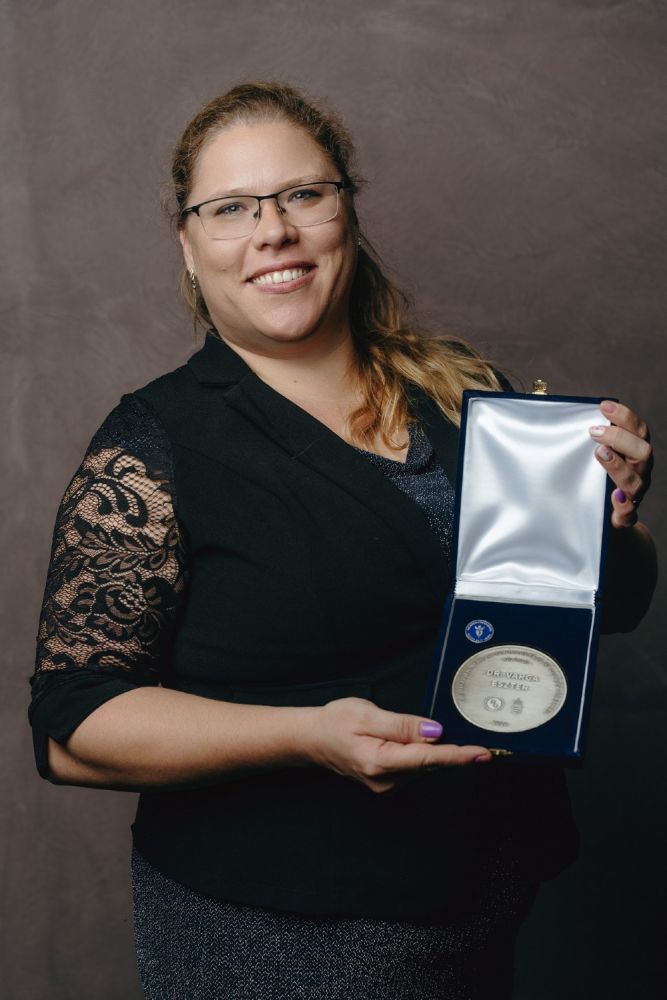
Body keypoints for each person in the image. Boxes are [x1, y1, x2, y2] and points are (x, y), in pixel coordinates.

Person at [29, 81, 657, 1000]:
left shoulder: (460, 393)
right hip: (275, 934)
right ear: (189, 247)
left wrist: (613, 523)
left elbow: (615, 607)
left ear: (346, 216)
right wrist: (305, 736)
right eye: (231, 208)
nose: (273, 231)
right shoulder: (153, 449)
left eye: (302, 194)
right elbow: (73, 726)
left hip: (482, 904)